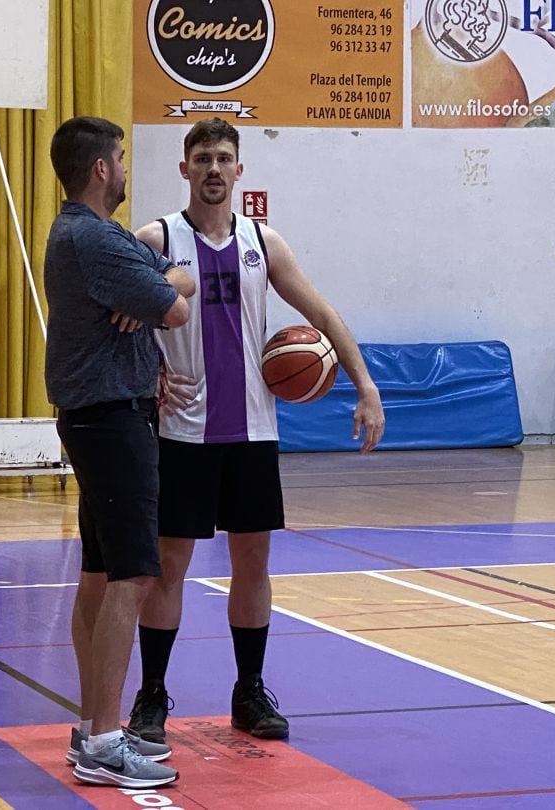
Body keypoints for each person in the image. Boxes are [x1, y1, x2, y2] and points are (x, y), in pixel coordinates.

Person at [126, 117, 385, 744]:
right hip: (181, 432)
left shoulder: (263, 243)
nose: (213, 169)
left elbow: (319, 311)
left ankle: (248, 690)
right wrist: (150, 372)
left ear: (240, 170)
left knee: (253, 563)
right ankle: (154, 693)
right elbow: (114, 320)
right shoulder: (155, 238)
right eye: (202, 158)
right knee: (169, 567)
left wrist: (367, 386)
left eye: (223, 158)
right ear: (183, 168)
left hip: (252, 432)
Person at [44, 116, 195, 788]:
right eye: (123, 158)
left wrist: (158, 294)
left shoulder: (84, 236)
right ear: (102, 169)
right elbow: (180, 306)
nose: (128, 168)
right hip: (112, 418)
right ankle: (105, 740)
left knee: (102, 574)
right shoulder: (96, 239)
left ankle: (92, 724)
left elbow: (178, 278)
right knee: (135, 573)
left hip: (96, 416)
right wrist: (158, 297)